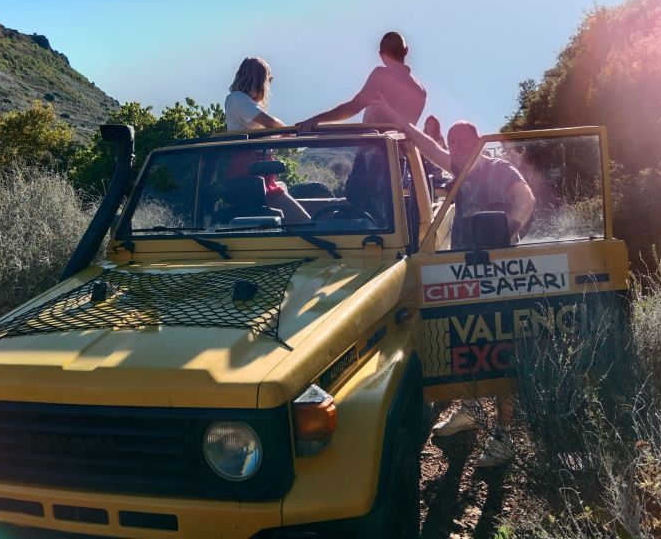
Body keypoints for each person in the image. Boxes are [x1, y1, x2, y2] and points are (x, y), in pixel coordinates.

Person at [380, 111, 536, 467]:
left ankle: (503, 436)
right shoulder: (460, 170)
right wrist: (403, 123)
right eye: (452, 143)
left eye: (462, 141)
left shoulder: (498, 170)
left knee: (500, 345)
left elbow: (525, 197)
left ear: (479, 141)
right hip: (463, 269)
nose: (456, 147)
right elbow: (430, 148)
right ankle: (470, 409)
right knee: (468, 340)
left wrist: (508, 230)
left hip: (496, 270)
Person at [223, 57, 310, 223]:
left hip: (260, 175)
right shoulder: (237, 99)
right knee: (306, 223)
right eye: (268, 80)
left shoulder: (245, 102)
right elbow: (270, 122)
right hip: (251, 176)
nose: (268, 86)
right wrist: (286, 131)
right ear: (259, 79)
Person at [297, 32, 426, 131]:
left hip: (376, 151)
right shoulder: (421, 91)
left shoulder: (382, 74)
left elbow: (354, 107)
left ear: (381, 54)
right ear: (406, 51)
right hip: (403, 154)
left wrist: (316, 119)